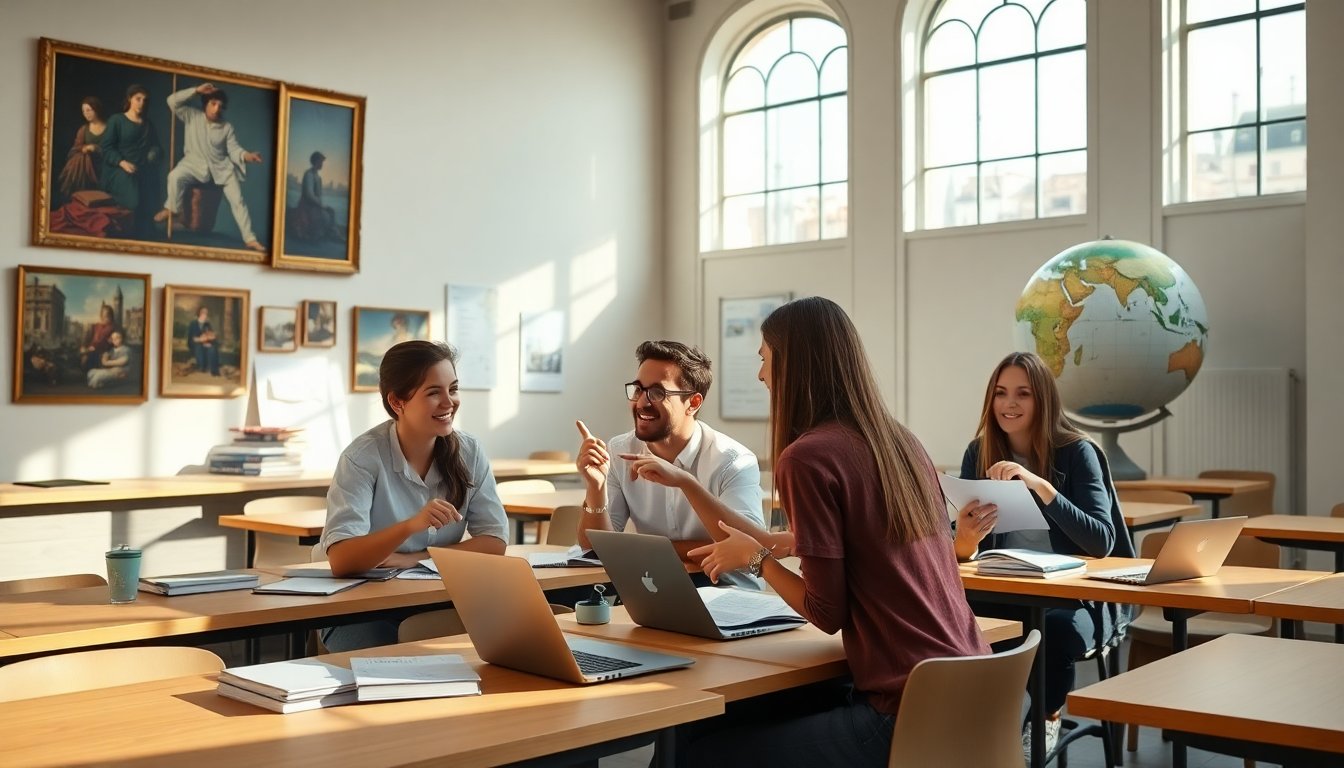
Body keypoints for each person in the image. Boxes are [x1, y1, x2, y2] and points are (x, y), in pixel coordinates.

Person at [683, 297, 988, 766]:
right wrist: (783, 543)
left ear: (794, 365)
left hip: (903, 714)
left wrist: (757, 560)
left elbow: (825, 613)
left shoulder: (807, 457)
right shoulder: (902, 441)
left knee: (701, 750)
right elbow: (879, 543)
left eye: (765, 360)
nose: (761, 376)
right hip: (975, 692)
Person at [953, 350, 1134, 758]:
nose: (1009, 404)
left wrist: (1041, 487)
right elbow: (964, 550)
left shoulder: (1077, 452)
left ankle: (1045, 718)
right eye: (1000, 393)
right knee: (951, 614)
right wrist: (964, 539)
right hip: (1007, 587)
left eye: (1023, 394)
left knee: (1053, 633)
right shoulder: (978, 452)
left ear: (1044, 401)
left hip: (1076, 598)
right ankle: (983, 723)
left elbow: (1101, 541)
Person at [320, 340, 509, 651]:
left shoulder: (469, 451)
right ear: (397, 402)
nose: (449, 402)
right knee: (389, 674)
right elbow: (341, 560)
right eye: (434, 392)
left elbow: (494, 542)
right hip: (360, 609)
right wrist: (411, 525)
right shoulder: (362, 458)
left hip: (438, 600)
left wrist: (414, 559)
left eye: (453, 389)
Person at [574, 340, 774, 589]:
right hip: (654, 585)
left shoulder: (733, 461)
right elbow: (595, 548)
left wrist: (643, 550)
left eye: (657, 393)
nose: (642, 402)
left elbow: (747, 551)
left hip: (725, 589)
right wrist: (595, 488)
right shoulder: (619, 451)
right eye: (638, 390)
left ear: (693, 403)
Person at [154, 83, 266, 252]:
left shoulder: (227, 127)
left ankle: (250, 239)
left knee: (238, 202)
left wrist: (247, 156)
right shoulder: (191, 115)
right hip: (193, 164)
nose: (216, 109)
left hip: (222, 169)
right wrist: (196, 91)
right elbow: (171, 101)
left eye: (220, 106)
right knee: (175, 176)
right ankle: (172, 208)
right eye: (213, 104)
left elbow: (234, 149)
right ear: (205, 103)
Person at [99, 84, 162, 237]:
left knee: (152, 194)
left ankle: (144, 235)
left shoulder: (148, 124)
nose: (141, 103)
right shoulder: (117, 120)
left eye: (145, 100)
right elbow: (106, 148)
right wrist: (122, 163)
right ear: (130, 99)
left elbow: (157, 147)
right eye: (138, 99)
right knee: (134, 200)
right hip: (118, 170)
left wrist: (155, 151)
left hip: (142, 169)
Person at [57, 96, 107, 200]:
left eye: (89, 110)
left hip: (104, 163)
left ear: (96, 109)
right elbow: (75, 149)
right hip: (86, 166)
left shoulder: (109, 128)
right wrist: (84, 148)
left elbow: (114, 149)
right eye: (84, 111)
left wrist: (97, 148)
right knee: (80, 158)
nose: (86, 114)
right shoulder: (83, 130)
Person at [293, 150, 342, 241]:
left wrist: (320, 205)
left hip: (315, 205)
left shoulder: (317, 176)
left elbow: (318, 196)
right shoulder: (309, 174)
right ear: (316, 162)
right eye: (321, 162)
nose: (322, 164)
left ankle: (334, 234)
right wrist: (320, 205)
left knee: (331, 211)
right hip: (307, 206)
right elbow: (309, 194)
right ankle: (325, 234)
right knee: (325, 215)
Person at [79, 304, 119, 371]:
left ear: (111, 317)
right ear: (101, 316)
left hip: (100, 354)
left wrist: (92, 349)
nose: (105, 318)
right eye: (103, 316)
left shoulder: (113, 329)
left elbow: (109, 344)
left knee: (90, 359)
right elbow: (87, 340)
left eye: (107, 316)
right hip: (90, 351)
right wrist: (84, 347)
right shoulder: (94, 326)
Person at [187, 306, 220, 377]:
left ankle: (214, 370)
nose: (205, 314)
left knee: (212, 348)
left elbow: (210, 335)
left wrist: (209, 339)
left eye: (206, 313)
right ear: (199, 313)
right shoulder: (193, 323)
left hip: (205, 343)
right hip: (195, 344)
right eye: (203, 312)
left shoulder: (207, 324)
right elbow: (192, 338)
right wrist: (201, 340)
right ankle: (201, 367)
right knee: (199, 347)